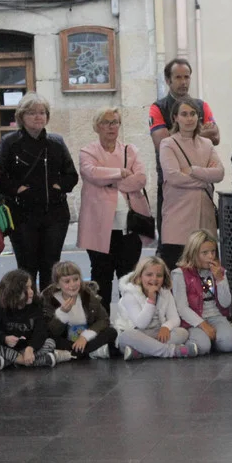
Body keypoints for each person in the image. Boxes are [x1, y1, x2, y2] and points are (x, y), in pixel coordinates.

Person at [0, 93, 78, 291]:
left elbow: (71, 175)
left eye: (42, 112)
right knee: (27, 268)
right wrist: (17, 189)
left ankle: (49, 306)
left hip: (54, 214)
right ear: (21, 116)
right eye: (32, 113)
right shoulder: (9, 142)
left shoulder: (56, 142)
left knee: (51, 267)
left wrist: (59, 186)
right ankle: (29, 305)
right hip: (22, 215)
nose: (38, 117)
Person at [77, 107, 151, 313]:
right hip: (98, 227)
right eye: (106, 122)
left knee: (129, 279)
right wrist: (120, 172)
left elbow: (140, 179)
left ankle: (130, 321)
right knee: (101, 277)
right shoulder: (88, 151)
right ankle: (102, 324)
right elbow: (92, 173)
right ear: (97, 126)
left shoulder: (130, 150)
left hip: (130, 226)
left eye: (115, 122)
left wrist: (110, 182)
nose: (111, 127)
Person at [149, 58, 219, 235]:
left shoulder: (202, 105)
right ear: (168, 80)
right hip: (173, 187)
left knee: (203, 239)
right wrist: (198, 133)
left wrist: (181, 135)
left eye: (186, 77)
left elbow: (216, 136)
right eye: (178, 77)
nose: (183, 82)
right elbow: (161, 142)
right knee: (173, 239)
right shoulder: (158, 108)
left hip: (202, 187)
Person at [158, 96, 224, 270]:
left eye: (193, 114)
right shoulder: (168, 144)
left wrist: (193, 170)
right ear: (175, 118)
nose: (189, 118)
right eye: (184, 114)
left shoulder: (207, 144)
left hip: (205, 223)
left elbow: (219, 173)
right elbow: (173, 177)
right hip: (177, 223)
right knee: (178, 276)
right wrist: (204, 180)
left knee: (207, 277)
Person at [173, 229, 232, 355]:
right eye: (205, 253)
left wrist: (220, 279)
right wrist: (203, 324)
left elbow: (225, 303)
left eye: (213, 251)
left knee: (229, 343)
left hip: (216, 316)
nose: (211, 256)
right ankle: (196, 342)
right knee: (203, 346)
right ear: (193, 253)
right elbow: (182, 308)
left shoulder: (219, 271)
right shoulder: (179, 274)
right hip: (194, 320)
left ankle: (215, 341)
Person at [115, 256, 197, 360]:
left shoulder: (165, 292)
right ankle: (171, 351)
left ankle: (142, 353)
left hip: (157, 332)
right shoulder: (129, 294)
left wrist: (166, 327)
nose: (154, 279)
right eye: (149, 275)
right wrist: (151, 300)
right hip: (137, 333)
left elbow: (175, 319)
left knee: (182, 333)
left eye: (159, 275)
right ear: (139, 276)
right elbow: (141, 324)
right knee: (127, 336)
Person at [0, 269, 67, 368]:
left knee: (50, 343)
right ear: (13, 292)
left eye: (31, 287)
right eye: (26, 289)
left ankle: (10, 362)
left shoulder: (35, 308)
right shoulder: (1, 310)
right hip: (10, 348)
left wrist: (31, 348)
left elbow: (41, 331)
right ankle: (30, 361)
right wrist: (4, 338)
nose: (31, 292)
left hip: (29, 349)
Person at [42, 261, 117, 360]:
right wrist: (62, 313)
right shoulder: (49, 300)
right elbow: (51, 331)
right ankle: (90, 352)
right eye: (67, 281)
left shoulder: (87, 295)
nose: (73, 284)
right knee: (50, 340)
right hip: (66, 341)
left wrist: (85, 336)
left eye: (76, 279)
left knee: (111, 332)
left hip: (87, 340)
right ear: (58, 285)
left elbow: (104, 319)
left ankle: (75, 354)